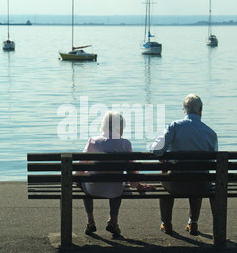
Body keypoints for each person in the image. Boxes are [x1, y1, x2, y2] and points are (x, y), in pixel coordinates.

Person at [78, 111, 155, 237]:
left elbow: (79, 168)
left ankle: (90, 221)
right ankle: (113, 221)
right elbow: (132, 172)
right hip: (115, 190)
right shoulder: (125, 144)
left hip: (93, 188)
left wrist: (78, 177)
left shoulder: (93, 142)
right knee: (119, 183)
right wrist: (137, 184)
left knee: (84, 180)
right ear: (119, 127)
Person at [150, 94, 218, 236]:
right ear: (201, 109)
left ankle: (166, 223)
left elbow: (156, 149)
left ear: (184, 110)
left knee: (165, 174)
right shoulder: (211, 133)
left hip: (176, 184)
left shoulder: (175, 126)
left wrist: (164, 157)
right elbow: (213, 163)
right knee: (199, 174)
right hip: (200, 185)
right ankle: (193, 223)